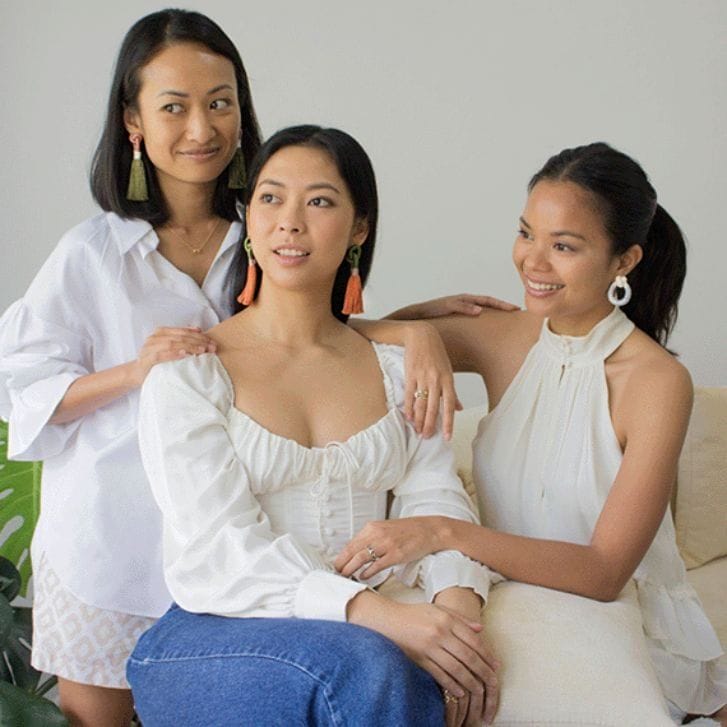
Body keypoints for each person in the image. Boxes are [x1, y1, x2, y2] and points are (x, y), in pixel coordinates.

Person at [335, 142, 727, 723]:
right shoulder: (504, 335)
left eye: (564, 246)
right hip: (508, 608)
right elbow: (336, 339)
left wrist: (442, 531)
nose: (533, 262)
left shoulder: (658, 381)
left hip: (623, 629)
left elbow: (603, 572)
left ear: (624, 260)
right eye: (527, 234)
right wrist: (418, 329)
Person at [127, 125, 501, 727]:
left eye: (320, 201)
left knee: (395, 664)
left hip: (362, 641)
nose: (289, 222)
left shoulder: (399, 370)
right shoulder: (191, 377)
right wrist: (369, 612)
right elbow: (217, 551)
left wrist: (457, 603)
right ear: (249, 218)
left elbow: (435, 495)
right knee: (368, 664)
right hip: (211, 637)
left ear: (359, 228)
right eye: (270, 198)